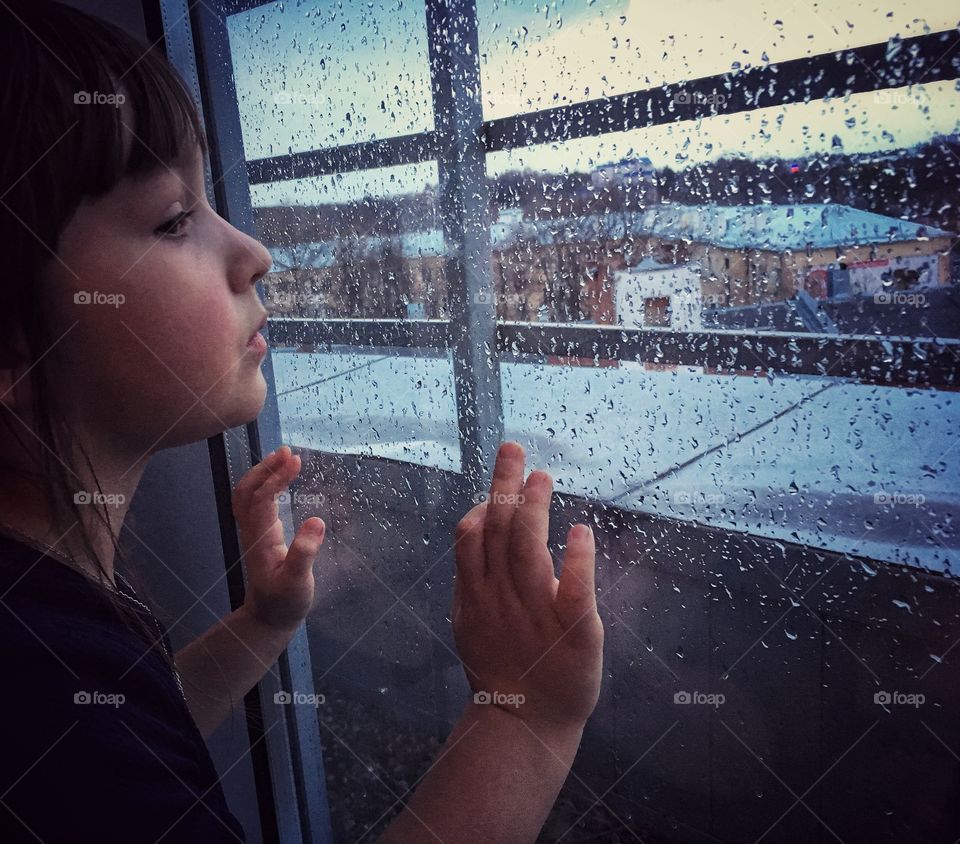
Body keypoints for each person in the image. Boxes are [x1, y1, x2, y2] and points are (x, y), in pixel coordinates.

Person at [0, 2, 604, 841]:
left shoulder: (46, 619)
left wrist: (262, 624)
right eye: (174, 221)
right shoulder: (30, 672)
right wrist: (528, 721)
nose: (254, 252)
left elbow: (139, 734)